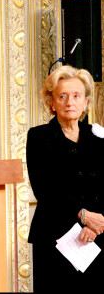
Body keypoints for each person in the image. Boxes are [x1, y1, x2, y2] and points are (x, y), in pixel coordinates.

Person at [26, 65, 104, 292]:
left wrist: (95, 223)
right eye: (62, 96)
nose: (70, 102)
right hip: (55, 239)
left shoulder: (98, 137)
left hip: (97, 238)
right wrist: (83, 214)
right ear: (52, 103)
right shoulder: (39, 137)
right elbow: (45, 188)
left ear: (86, 102)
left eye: (76, 96)